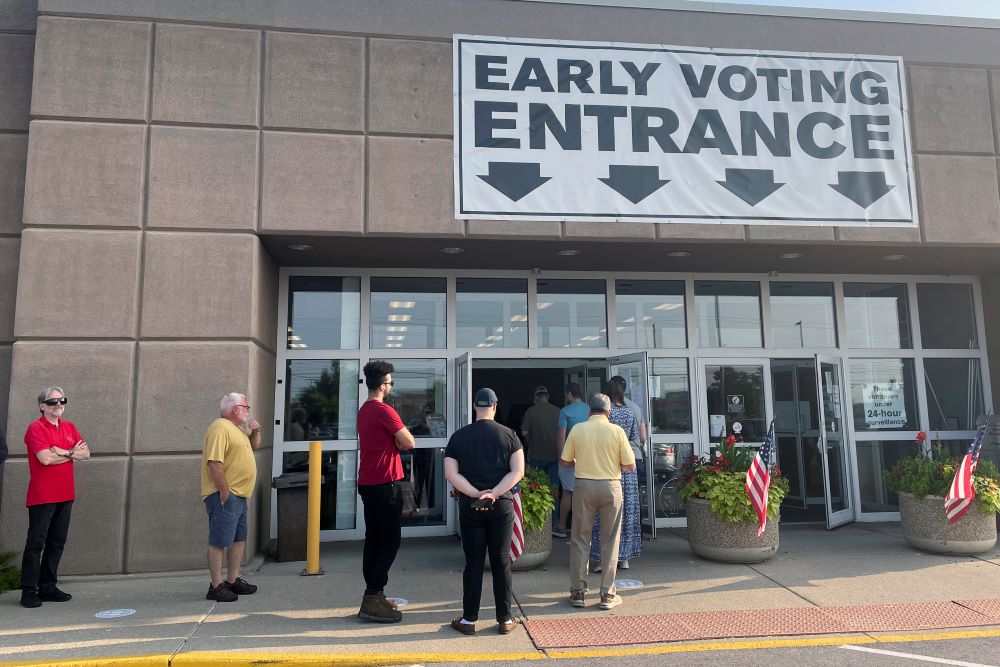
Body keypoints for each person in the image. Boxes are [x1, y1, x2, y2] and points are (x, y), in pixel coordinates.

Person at [444, 388, 525, 636]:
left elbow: (451, 474)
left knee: (474, 562)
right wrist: (495, 493)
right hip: (501, 505)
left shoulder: (458, 437)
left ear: (474, 407)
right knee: (501, 561)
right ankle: (505, 619)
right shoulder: (509, 435)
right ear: (495, 406)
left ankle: (469, 620)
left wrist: (475, 494)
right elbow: (518, 471)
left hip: (471, 507)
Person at [559, 393, 635, 611]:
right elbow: (630, 466)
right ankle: (607, 595)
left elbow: (564, 462)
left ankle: (578, 592)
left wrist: (580, 460)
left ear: (589, 410)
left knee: (580, 539)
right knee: (610, 541)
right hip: (611, 486)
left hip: (583, 486)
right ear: (609, 411)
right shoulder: (617, 431)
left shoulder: (578, 429)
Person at [20, 386, 91, 608]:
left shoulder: (69, 427)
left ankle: (48, 587)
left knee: (57, 542)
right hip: (42, 496)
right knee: (36, 544)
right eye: (52, 402)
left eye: (62, 400)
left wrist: (62, 452)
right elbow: (45, 459)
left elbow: (86, 454)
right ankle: (29, 591)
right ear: (42, 406)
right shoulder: (35, 428)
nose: (58, 404)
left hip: (65, 493)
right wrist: (71, 454)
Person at [356, 360, 415, 623]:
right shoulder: (384, 411)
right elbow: (409, 442)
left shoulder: (364, 410)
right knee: (390, 540)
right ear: (382, 386)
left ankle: (374, 594)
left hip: (368, 482)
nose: (391, 387)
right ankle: (373, 595)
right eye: (390, 383)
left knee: (374, 539)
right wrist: (398, 442)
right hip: (385, 484)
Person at [201, 392, 262, 603]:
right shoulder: (220, 427)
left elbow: (254, 445)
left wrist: (255, 431)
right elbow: (214, 462)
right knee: (219, 540)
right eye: (246, 407)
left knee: (238, 539)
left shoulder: (237, 430)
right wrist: (224, 492)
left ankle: (232, 580)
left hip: (239, 495)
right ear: (236, 408)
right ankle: (216, 586)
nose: (247, 410)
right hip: (226, 494)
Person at [590, 381, 641, 572]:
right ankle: (625, 557)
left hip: (605, 467)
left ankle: (602, 559)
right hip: (626, 469)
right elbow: (635, 436)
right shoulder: (629, 412)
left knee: (602, 514)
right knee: (626, 515)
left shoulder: (606, 415)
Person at [554, 383, 588, 538]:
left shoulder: (565, 411)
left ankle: (561, 526)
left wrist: (562, 457)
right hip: (588, 457)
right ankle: (581, 527)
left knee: (568, 492)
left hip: (570, 457)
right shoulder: (590, 410)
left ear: (569, 394)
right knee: (584, 493)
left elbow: (561, 436)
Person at [520, 386, 560, 492]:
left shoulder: (531, 411)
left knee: (535, 489)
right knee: (553, 490)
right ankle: (555, 509)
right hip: (554, 455)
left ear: (536, 397)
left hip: (536, 456)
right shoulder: (558, 411)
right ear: (548, 396)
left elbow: (524, 433)